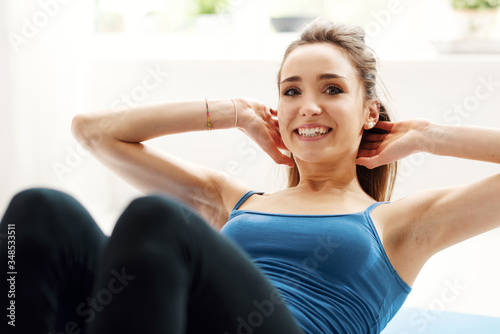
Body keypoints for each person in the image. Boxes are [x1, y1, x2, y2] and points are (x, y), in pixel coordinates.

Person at [1, 17, 499, 334]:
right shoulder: (228, 200)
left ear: (369, 111)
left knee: (157, 218)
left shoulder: (402, 222)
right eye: (290, 91)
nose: (308, 106)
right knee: (39, 211)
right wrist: (231, 111)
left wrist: (430, 135)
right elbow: (92, 132)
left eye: (331, 89)